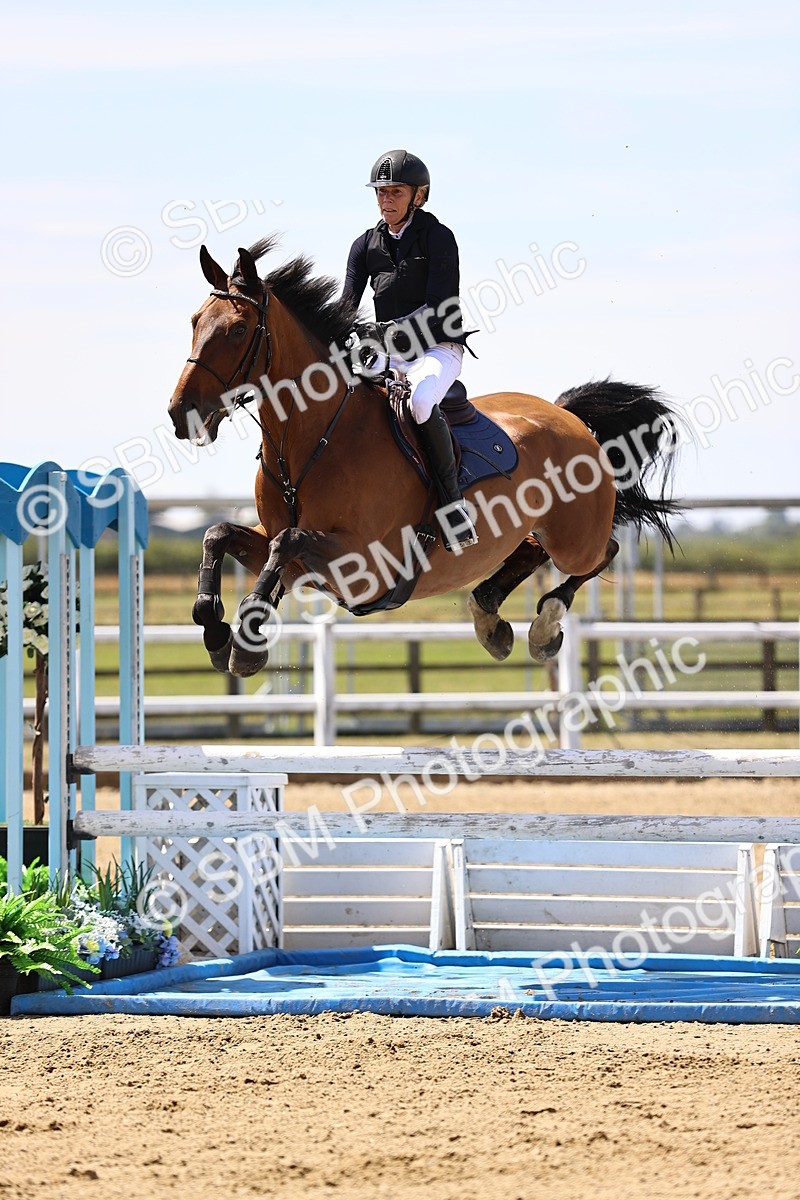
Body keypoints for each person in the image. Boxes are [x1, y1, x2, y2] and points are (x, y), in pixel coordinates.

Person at [342, 149, 479, 551]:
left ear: (419, 196)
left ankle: (454, 509)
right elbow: (346, 304)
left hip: (437, 348)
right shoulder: (364, 245)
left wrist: (383, 333)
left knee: (420, 402)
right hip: (389, 351)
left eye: (395, 192)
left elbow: (439, 309)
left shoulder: (438, 238)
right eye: (381, 192)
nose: (386, 199)